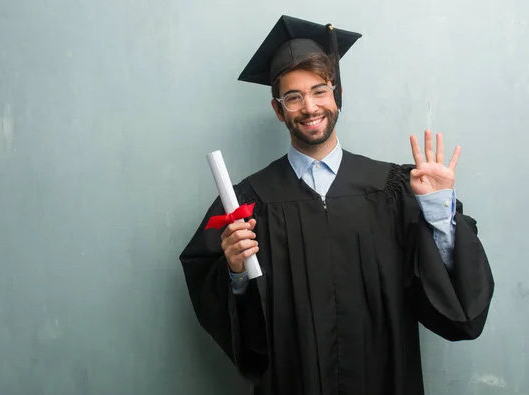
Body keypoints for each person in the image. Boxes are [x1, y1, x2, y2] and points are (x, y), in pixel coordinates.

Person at [179, 15, 494, 395]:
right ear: (279, 110)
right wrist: (236, 271)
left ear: (336, 96)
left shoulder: (394, 189)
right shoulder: (249, 202)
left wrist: (439, 212)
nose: (309, 107)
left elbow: (453, 301)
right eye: (293, 97)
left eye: (319, 91)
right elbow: (220, 303)